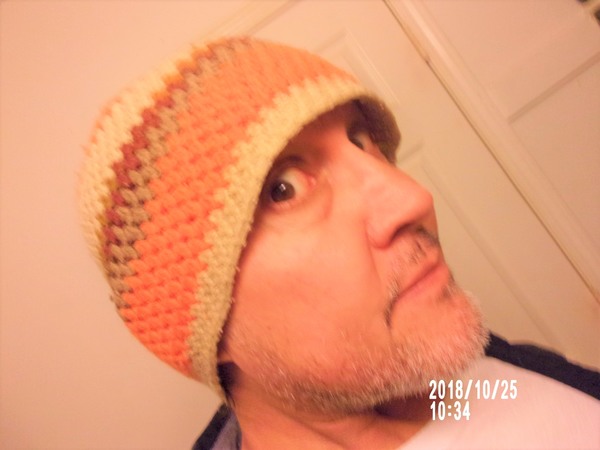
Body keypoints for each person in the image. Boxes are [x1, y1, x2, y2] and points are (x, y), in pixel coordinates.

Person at [79, 36, 599, 449]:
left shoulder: (468, 374)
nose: (412, 198)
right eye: (283, 189)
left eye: (361, 139)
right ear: (205, 329)